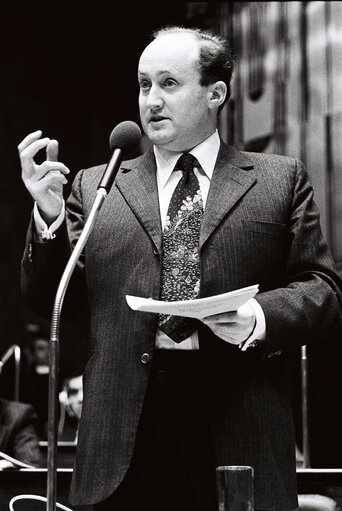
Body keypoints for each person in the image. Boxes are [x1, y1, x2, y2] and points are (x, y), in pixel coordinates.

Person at [18, 26, 342, 511]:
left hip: (237, 419)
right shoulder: (97, 185)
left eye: (169, 83)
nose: (151, 100)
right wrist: (49, 216)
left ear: (216, 94)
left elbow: (325, 291)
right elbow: (51, 300)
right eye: (144, 84)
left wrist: (257, 317)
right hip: (122, 435)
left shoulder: (278, 179)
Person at [58, 371, 83, 443]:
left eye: (86, 390)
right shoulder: (60, 437)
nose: (80, 398)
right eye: (74, 392)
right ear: (66, 398)